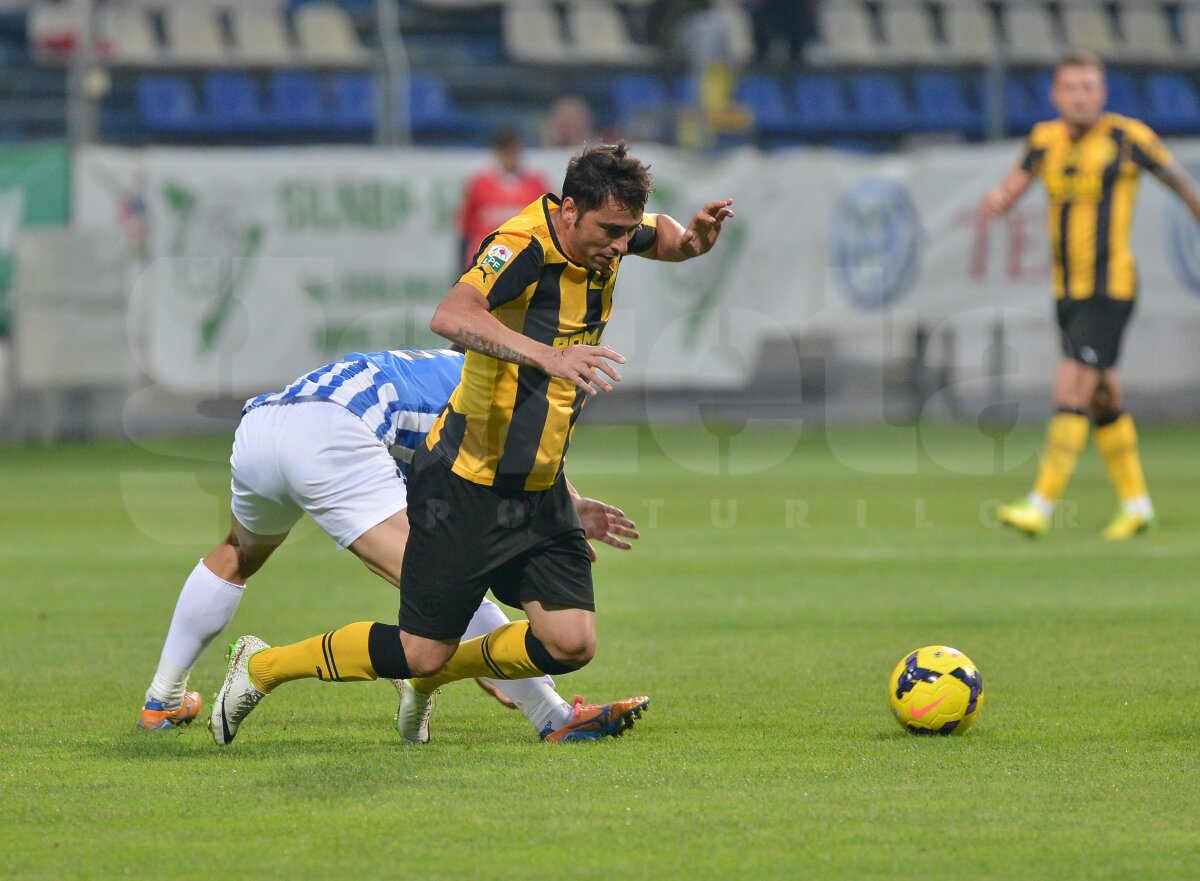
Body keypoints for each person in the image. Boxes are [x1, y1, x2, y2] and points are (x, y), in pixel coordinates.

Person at [214, 143, 735, 746]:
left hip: (538, 487)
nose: (619, 246)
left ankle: (430, 684)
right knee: (421, 651)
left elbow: (664, 236)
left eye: (625, 232)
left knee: (570, 643)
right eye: (610, 232)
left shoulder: (608, 227)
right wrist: (549, 355)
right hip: (464, 482)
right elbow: (450, 314)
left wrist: (695, 241)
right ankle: (263, 666)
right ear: (569, 210)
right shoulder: (521, 246)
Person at [136, 347, 644, 743]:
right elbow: (520, 458)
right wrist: (566, 506)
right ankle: (551, 716)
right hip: (332, 433)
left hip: (265, 425)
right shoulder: (505, 392)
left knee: (238, 554)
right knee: (445, 584)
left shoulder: (471, 368)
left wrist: (570, 501)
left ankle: (162, 700)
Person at [978, 52, 1200, 540]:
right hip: (1067, 290)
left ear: (1102, 94)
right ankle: (1138, 504)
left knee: (1071, 384)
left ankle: (1040, 503)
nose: (1080, 96)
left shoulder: (1128, 138)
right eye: (1071, 88)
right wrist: (998, 199)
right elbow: (1013, 187)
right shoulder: (1044, 140)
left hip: (1110, 287)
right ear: (1056, 95)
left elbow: (1181, 182)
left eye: (1089, 88)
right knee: (1103, 395)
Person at [457, 125, 549, 271]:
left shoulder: (536, 185)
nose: (510, 157)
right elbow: (466, 230)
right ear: (497, 152)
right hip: (485, 262)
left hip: (525, 260)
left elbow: (548, 227)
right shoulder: (479, 185)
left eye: (514, 151)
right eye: (505, 152)